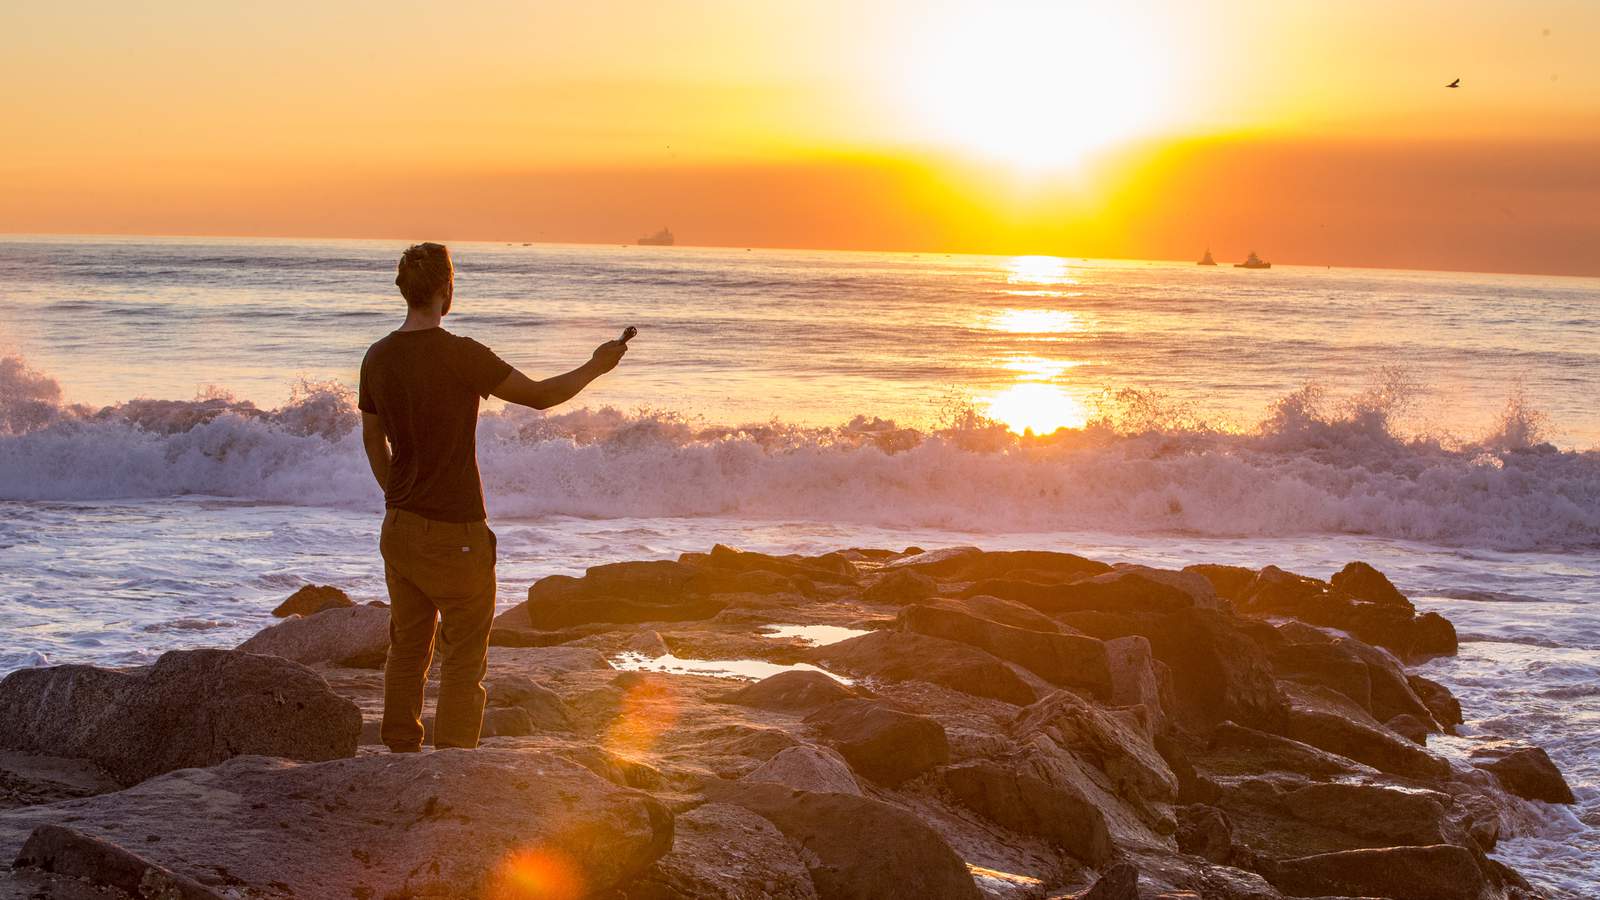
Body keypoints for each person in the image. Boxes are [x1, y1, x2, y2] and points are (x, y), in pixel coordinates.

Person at [357, 242, 627, 752]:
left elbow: (373, 440)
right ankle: (455, 768)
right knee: (462, 658)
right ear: (446, 291)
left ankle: (397, 751)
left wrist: (395, 495)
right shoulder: (461, 353)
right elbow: (542, 396)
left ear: (403, 290)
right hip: (456, 531)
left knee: (408, 646)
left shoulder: (378, 355)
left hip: (399, 526)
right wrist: (597, 366)